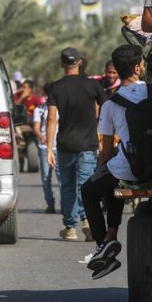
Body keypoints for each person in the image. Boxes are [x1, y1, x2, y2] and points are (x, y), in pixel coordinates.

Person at [80, 45, 148, 279]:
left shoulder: (110, 103)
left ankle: (105, 244)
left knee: (89, 190)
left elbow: (106, 150)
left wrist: (99, 169)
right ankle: (109, 236)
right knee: (113, 178)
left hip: (131, 167)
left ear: (117, 71)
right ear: (138, 67)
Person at [47, 47, 108, 241]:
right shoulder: (92, 86)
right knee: (86, 186)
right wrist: (103, 133)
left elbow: (51, 119)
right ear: (80, 62)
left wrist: (49, 149)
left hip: (65, 145)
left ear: (62, 64)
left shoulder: (56, 87)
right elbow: (107, 107)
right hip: (88, 145)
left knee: (67, 187)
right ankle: (88, 223)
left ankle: (70, 228)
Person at [32, 86, 59, 214]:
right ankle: (50, 203)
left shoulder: (62, 107)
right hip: (44, 148)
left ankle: (65, 205)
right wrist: (42, 137)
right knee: (46, 177)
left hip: (60, 147)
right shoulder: (39, 109)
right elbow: (36, 128)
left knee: (62, 178)